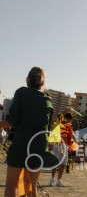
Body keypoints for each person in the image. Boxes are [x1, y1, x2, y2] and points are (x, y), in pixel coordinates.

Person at [0, 67, 55, 197]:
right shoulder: (48, 100)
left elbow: (12, 119)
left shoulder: (21, 92)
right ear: (42, 83)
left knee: (11, 185)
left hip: (21, 144)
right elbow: (48, 129)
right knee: (31, 186)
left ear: (28, 80)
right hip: (39, 146)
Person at [49, 112, 76, 187]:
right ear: (67, 118)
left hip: (65, 145)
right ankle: (52, 179)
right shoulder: (57, 124)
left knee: (63, 163)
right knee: (55, 162)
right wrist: (50, 143)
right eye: (70, 120)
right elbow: (52, 134)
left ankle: (59, 180)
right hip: (57, 144)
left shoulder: (69, 126)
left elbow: (72, 135)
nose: (70, 121)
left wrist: (75, 139)